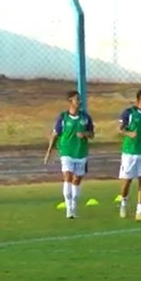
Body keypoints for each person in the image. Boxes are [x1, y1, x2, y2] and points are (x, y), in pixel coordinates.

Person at [44, 91, 95, 219]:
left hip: (81, 152)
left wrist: (85, 134)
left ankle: (74, 205)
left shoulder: (86, 117)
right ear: (70, 101)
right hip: (66, 151)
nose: (80, 101)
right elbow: (55, 135)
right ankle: (68, 208)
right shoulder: (63, 117)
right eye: (77, 99)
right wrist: (49, 151)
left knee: (77, 180)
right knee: (67, 176)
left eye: (80, 99)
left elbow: (92, 134)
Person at [117, 88, 141, 220]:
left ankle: (140, 210)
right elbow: (121, 129)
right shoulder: (129, 112)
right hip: (130, 152)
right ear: (140, 98)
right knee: (127, 181)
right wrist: (129, 133)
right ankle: (123, 202)